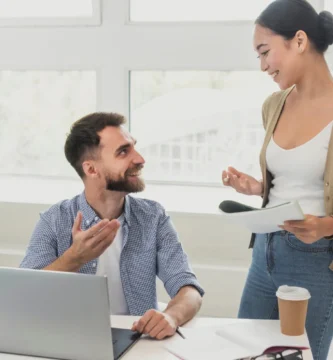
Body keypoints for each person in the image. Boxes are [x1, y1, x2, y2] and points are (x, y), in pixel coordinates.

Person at [20, 112, 204, 340]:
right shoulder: (54, 220)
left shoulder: (153, 217)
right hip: (71, 340)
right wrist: (74, 258)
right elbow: (24, 295)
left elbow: (190, 289)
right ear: (91, 170)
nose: (140, 159)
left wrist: (171, 317)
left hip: (138, 341)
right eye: (123, 152)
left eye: (134, 147)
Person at [222, 1, 333, 359]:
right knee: (246, 353)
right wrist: (256, 188)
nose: (262, 66)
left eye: (265, 52)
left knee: (298, 356)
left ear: (299, 41)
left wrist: (325, 225)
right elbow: (294, 179)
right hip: (265, 249)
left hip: (315, 257)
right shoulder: (275, 104)